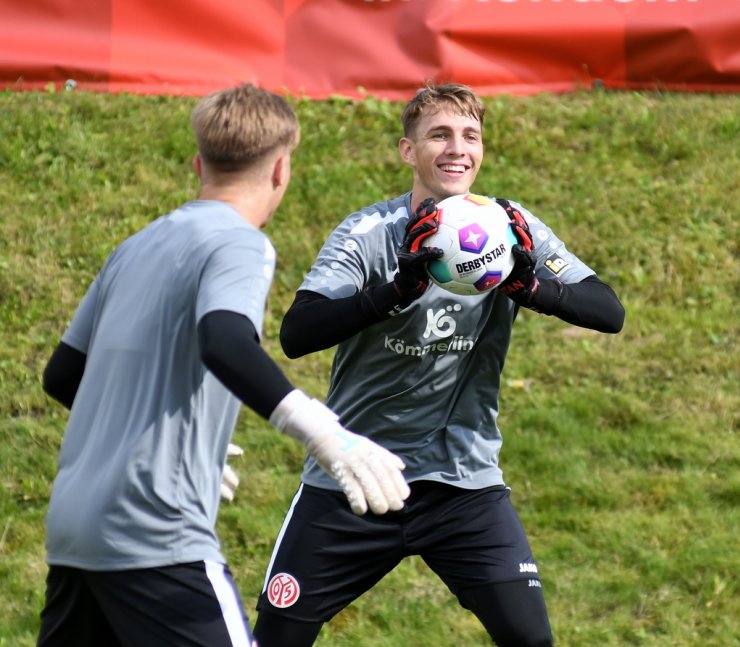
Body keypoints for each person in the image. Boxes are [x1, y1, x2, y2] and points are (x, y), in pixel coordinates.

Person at [251, 82, 625, 647]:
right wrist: (394, 292)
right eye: (439, 135)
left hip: (462, 483)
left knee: (532, 640)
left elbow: (608, 310)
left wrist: (529, 285)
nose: (457, 149)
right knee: (276, 639)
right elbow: (297, 332)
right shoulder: (370, 235)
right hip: (357, 475)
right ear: (408, 151)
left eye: (470, 136)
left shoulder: (509, 227)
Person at [37, 83, 410, 647]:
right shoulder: (240, 243)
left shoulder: (135, 245)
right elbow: (225, 342)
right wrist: (323, 434)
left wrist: (158, 439)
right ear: (281, 169)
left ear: (198, 163)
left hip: (74, 529)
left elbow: (62, 377)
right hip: (153, 527)